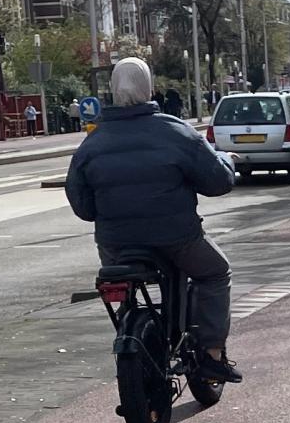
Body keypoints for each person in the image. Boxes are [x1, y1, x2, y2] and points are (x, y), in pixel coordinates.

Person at [64, 57, 243, 384]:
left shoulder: (93, 143)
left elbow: (82, 205)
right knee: (216, 272)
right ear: (150, 88)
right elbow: (218, 182)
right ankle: (213, 354)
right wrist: (226, 161)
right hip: (177, 238)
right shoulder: (175, 131)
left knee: (126, 292)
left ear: (113, 91)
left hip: (117, 244)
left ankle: (133, 329)